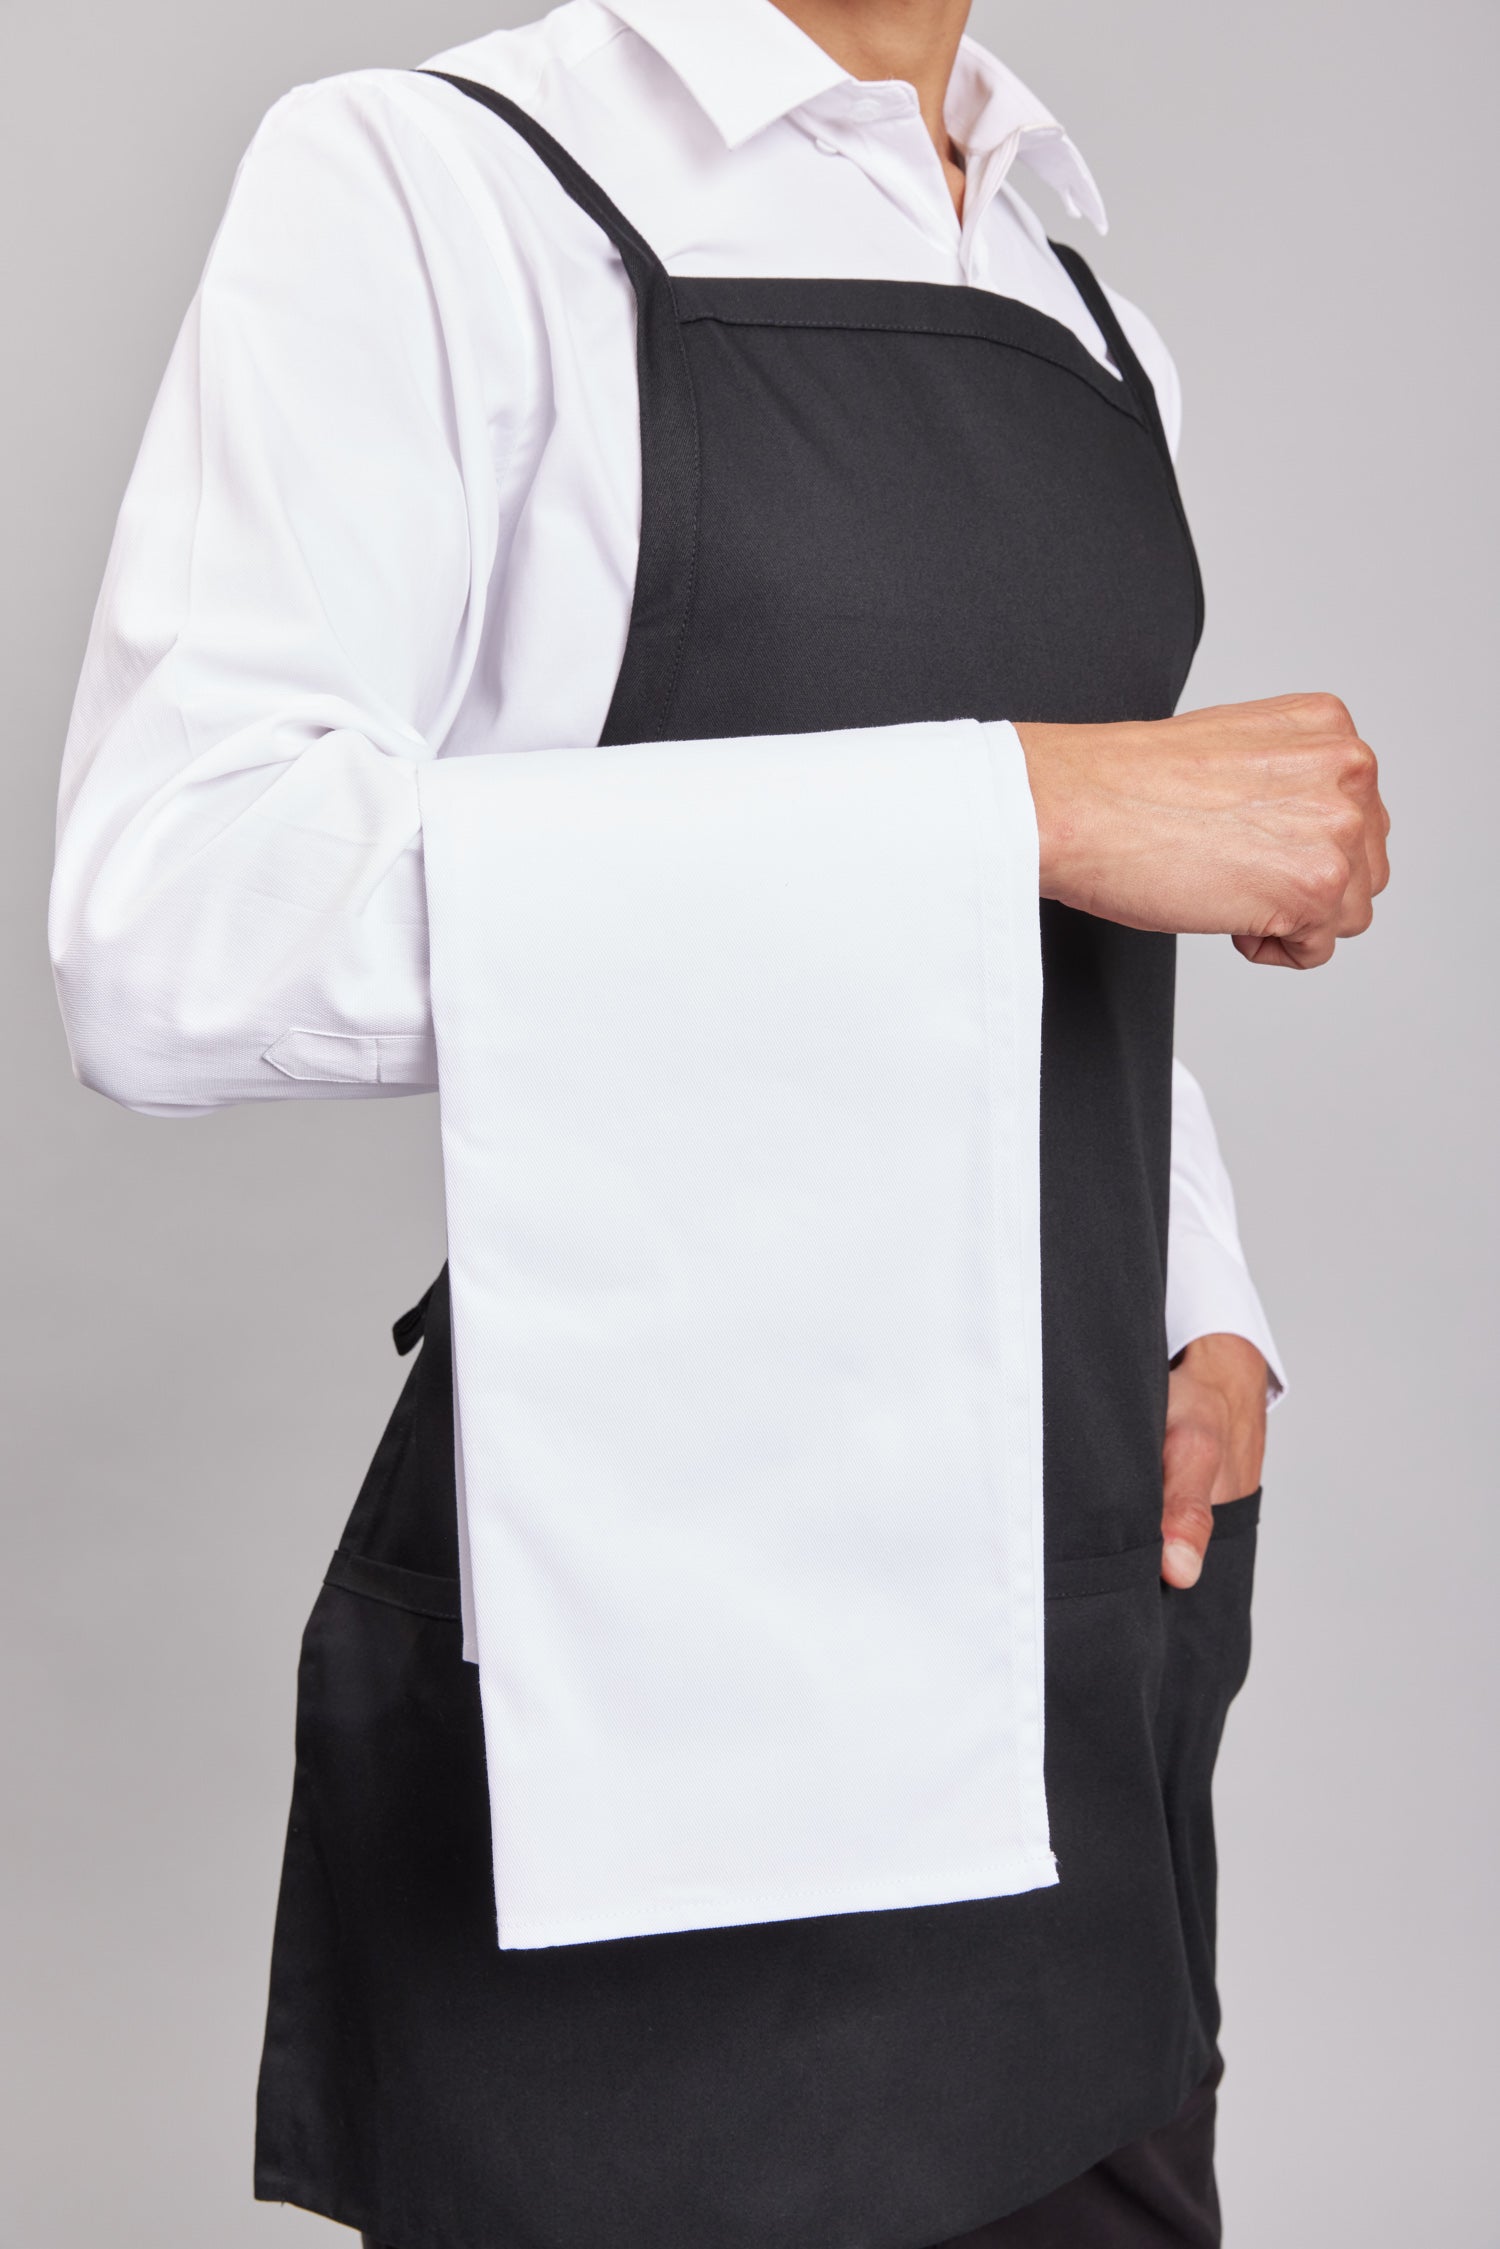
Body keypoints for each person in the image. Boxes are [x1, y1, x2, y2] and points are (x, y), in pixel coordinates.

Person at [48, 1, 1388, 2244]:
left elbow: (1041, 960)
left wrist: (1206, 1309)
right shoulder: (443, 178)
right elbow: (174, 926)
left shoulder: (1080, 298)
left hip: (1071, 1659)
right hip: (666, 1692)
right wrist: (1021, 796)